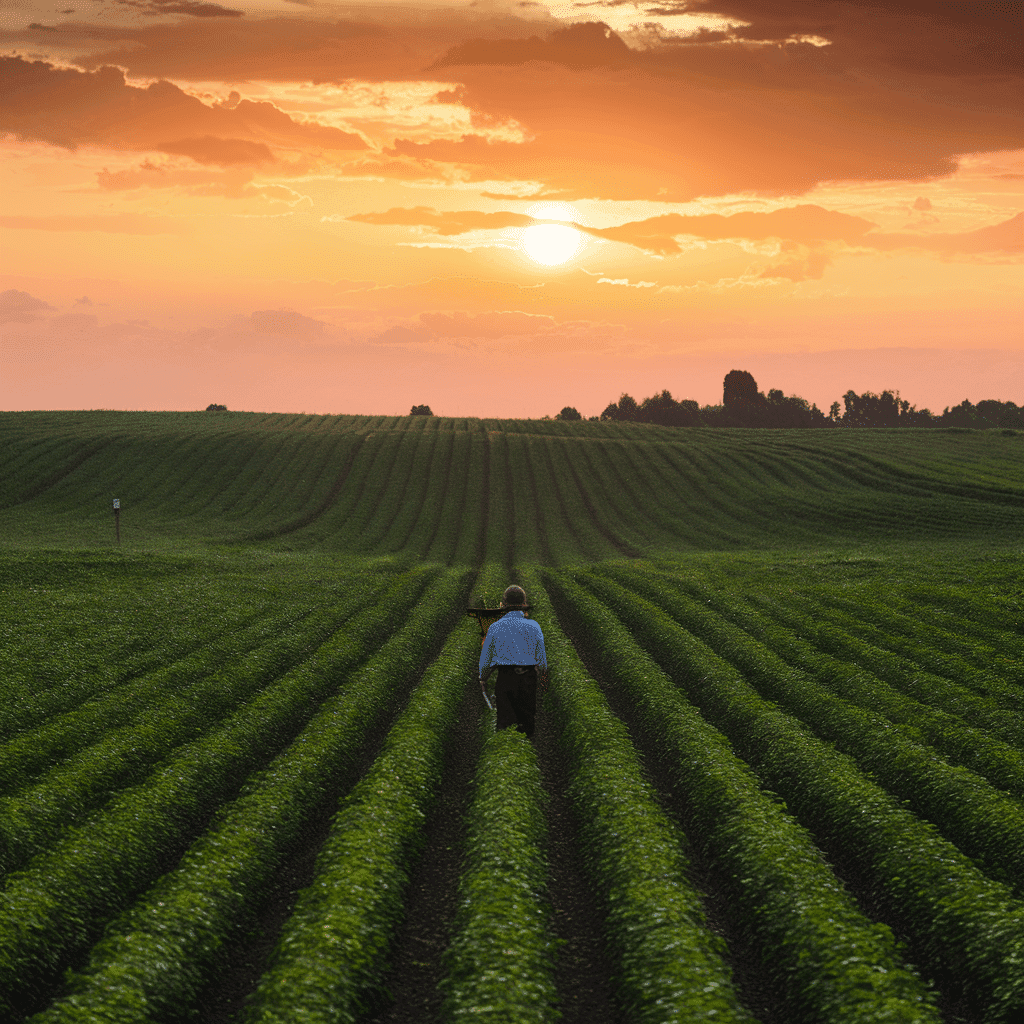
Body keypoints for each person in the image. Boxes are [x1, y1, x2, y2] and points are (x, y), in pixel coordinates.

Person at [479, 585, 548, 738]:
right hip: (528, 679)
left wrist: (483, 678)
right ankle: (526, 745)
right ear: (524, 604)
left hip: (506, 678)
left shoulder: (495, 627)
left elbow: (485, 661)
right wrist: (543, 677)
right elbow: (542, 661)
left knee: (505, 722)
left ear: (503, 604)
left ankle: (507, 746)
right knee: (527, 721)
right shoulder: (534, 626)